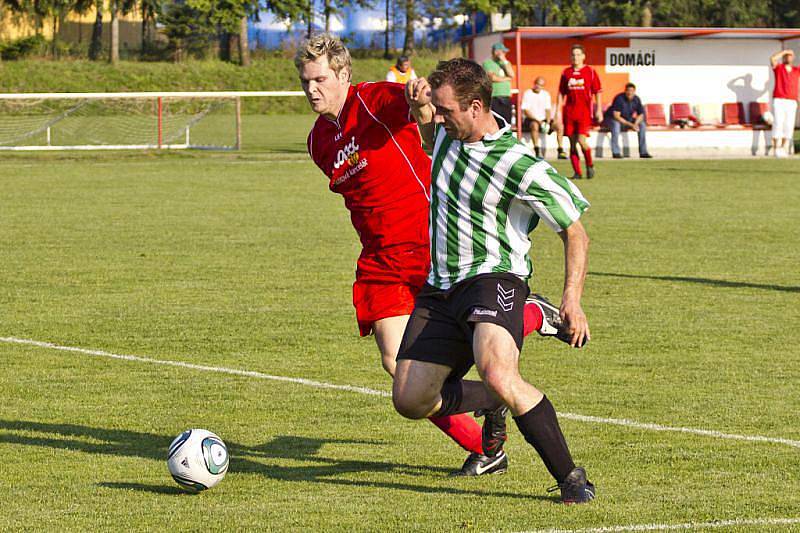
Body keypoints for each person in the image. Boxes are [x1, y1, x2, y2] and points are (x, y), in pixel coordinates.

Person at [295, 33, 569, 476]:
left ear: (344, 74)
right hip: (380, 259)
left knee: (469, 338)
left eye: (320, 78)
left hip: (428, 242)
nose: (312, 89)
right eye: (306, 80)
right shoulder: (317, 142)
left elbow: (419, 110)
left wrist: (420, 100)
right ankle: (488, 444)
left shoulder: (375, 99)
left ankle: (531, 315)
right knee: (396, 366)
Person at [398, 58, 595, 504]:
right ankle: (490, 401)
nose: (440, 117)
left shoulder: (519, 163)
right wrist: (420, 112)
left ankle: (571, 479)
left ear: (474, 106)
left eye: (446, 110)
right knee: (410, 399)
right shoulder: (449, 136)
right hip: (440, 287)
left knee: (500, 371)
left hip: (494, 278)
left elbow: (574, 231)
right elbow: (431, 137)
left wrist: (573, 299)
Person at [556, 44, 602, 179]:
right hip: (569, 112)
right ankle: (577, 172)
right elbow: (561, 93)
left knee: (582, 141)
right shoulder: (566, 73)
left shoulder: (590, 71)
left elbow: (597, 91)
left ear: (583, 56)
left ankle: (589, 164)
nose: (575, 57)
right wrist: (557, 112)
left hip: (584, 112)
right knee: (572, 143)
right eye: (573, 55)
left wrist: (599, 109)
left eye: (578, 54)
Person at [521, 76, 566, 159]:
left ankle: (560, 150)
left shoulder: (545, 94)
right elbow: (525, 111)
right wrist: (538, 121)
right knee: (535, 125)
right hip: (531, 119)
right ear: (534, 84)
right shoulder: (528, 93)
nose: (538, 86)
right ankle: (537, 151)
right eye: (537, 84)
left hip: (543, 120)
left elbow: (548, 109)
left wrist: (548, 122)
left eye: (541, 85)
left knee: (559, 126)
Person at [606, 82, 652, 159]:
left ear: (634, 91)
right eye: (628, 90)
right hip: (612, 119)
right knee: (616, 125)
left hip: (627, 119)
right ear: (625, 91)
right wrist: (631, 125)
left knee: (642, 125)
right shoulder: (619, 98)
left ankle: (643, 152)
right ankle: (616, 152)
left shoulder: (636, 99)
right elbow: (616, 116)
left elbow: (641, 114)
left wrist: (636, 124)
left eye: (632, 91)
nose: (630, 92)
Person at [769, 49, 799, 158]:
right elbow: (772, 59)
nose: (788, 58)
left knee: (789, 124)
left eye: (790, 56)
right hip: (779, 99)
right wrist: (784, 51)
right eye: (786, 56)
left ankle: (784, 147)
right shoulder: (779, 68)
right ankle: (776, 148)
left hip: (792, 100)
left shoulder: (796, 70)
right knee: (778, 122)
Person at [482, 42, 515, 125]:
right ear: (496, 52)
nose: (504, 54)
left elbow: (512, 75)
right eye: (503, 52)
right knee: (496, 121)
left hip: (506, 96)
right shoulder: (488, 63)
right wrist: (507, 78)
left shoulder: (505, 63)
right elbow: (493, 78)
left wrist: (504, 61)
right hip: (495, 96)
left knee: (507, 122)